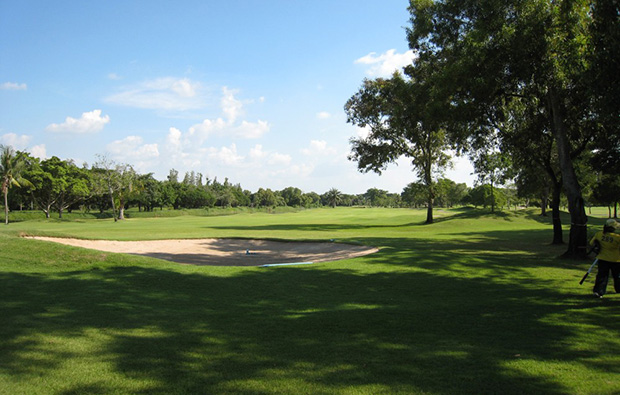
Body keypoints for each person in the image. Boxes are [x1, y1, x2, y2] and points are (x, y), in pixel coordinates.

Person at [589, 219, 620, 298]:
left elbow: (591, 243)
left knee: (602, 276)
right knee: (617, 276)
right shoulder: (617, 237)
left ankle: (599, 292)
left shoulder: (599, 234)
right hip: (616, 260)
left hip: (602, 258)